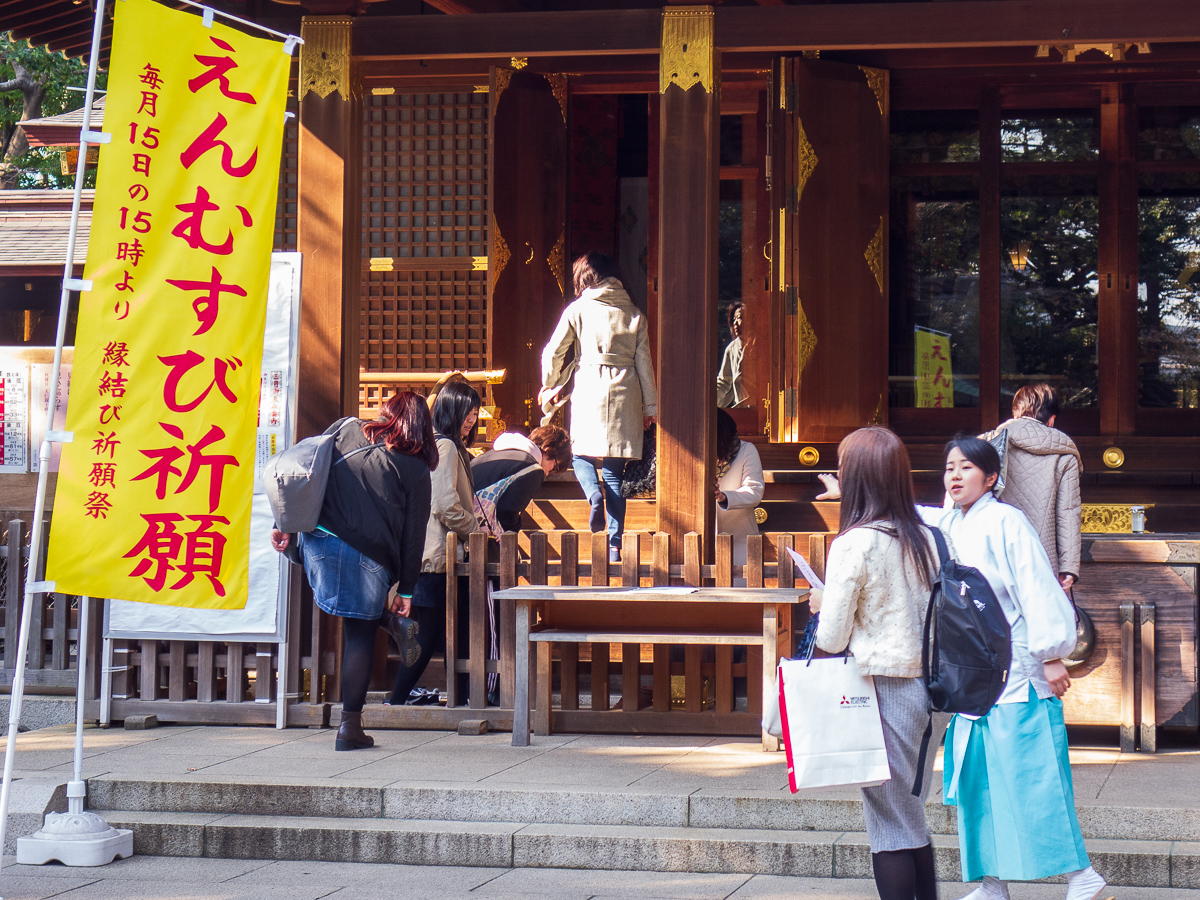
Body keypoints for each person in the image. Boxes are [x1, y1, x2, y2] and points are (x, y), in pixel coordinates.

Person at [918, 436, 1108, 900]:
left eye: (966, 467)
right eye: (949, 468)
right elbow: (913, 515)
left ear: (992, 477)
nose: (955, 475)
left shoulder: (1007, 521)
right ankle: (991, 883)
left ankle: (1082, 876)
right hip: (970, 671)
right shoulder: (950, 523)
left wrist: (1050, 654)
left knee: (1034, 778)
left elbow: (1036, 587)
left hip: (1016, 668)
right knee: (976, 781)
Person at [810, 426, 942, 900]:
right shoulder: (931, 537)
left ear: (858, 478)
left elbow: (831, 636)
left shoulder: (855, 543)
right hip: (932, 691)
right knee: (908, 815)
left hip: (881, 690)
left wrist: (821, 601)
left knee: (889, 824)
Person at [270, 392, 436, 751]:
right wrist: (406, 591)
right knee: (358, 635)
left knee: (348, 606)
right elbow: (413, 535)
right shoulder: (416, 467)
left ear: (387, 412)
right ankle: (349, 727)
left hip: (317, 545)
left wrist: (283, 521)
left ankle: (388, 624)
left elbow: (305, 469)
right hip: (369, 556)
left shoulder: (347, 429)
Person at [540, 251, 658, 563]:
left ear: (584, 279)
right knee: (615, 473)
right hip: (626, 393)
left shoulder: (576, 310)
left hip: (589, 387)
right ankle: (614, 544)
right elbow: (645, 364)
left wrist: (550, 382)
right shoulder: (634, 314)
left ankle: (593, 493)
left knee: (580, 454)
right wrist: (649, 407)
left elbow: (554, 351)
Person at [386, 380, 486, 707]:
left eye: (474, 413)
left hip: (436, 555)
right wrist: (477, 529)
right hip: (436, 556)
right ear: (450, 410)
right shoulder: (444, 447)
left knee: (440, 633)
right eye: (466, 412)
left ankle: (458, 697)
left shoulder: (442, 445)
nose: (471, 419)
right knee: (429, 635)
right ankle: (397, 699)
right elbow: (444, 503)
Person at [981, 383, 1083, 592]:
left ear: (1015, 412)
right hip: (1041, 559)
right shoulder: (1064, 454)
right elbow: (1068, 513)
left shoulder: (987, 443)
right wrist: (1069, 567)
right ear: (1051, 419)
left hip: (991, 555)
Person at [471, 425, 572, 533]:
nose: (547, 473)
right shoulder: (533, 470)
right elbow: (507, 511)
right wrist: (514, 527)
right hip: (479, 531)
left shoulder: (495, 453)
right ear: (548, 449)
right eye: (554, 467)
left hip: (462, 521)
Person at [714, 409, 763, 567]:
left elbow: (754, 491)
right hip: (699, 538)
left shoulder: (746, 450)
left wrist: (724, 497)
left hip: (739, 538)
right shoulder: (692, 453)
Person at [717, 302, 748, 409]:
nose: (735, 323)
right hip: (742, 411)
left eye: (739, 318)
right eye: (733, 319)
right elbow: (724, 383)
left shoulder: (761, 344)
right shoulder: (732, 348)